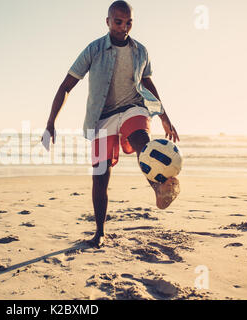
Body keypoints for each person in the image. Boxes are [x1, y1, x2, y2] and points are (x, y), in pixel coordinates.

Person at [43, 1, 180, 248]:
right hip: (101, 117)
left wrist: (163, 115)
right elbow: (66, 86)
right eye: (118, 22)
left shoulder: (141, 51)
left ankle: (160, 187)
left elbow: (148, 85)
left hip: (133, 108)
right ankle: (100, 232)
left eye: (129, 22)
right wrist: (51, 122)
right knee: (100, 175)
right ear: (108, 22)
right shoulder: (93, 50)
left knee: (142, 142)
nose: (124, 27)